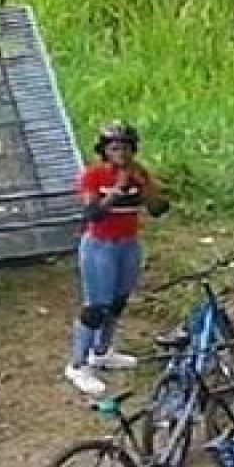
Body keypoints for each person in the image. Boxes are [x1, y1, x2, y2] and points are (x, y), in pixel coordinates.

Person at [64, 121, 169, 398]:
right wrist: (116, 191)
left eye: (124, 148)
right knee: (96, 306)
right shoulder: (94, 176)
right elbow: (92, 214)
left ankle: (102, 351)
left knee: (118, 302)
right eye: (114, 148)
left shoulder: (139, 173)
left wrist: (145, 186)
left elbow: (158, 208)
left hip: (128, 244)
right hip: (100, 246)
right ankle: (78, 364)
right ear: (104, 152)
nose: (120, 154)